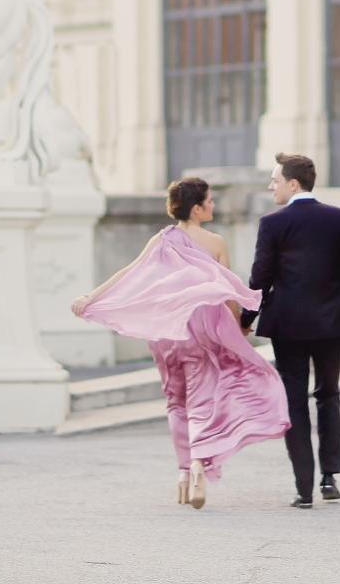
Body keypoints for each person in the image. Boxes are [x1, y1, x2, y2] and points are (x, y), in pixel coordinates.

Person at [72, 177, 289, 510]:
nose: (214, 206)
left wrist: (92, 297)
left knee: (176, 401)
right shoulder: (215, 242)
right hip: (202, 330)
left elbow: (131, 273)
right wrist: (238, 327)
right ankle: (200, 466)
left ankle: (183, 474)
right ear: (197, 207)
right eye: (210, 201)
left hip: (166, 332)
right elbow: (229, 292)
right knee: (202, 400)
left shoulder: (162, 241)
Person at [241, 152, 340, 508]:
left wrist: (244, 319)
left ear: (293, 183)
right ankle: (329, 478)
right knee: (328, 395)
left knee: (294, 401)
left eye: (275, 180)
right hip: (331, 324)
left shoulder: (272, 224)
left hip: (287, 326)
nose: (271, 186)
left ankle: (303, 488)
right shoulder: (339, 219)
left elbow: (261, 278)